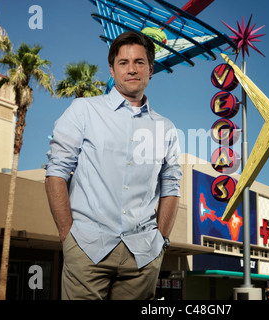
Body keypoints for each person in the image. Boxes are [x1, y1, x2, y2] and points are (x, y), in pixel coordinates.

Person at [45, 30, 182, 300]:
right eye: (123, 62)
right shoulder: (83, 110)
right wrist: (68, 236)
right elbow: (56, 173)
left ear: (151, 69)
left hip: (142, 256)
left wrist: (160, 242)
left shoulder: (166, 128)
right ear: (112, 68)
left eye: (139, 62)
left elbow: (171, 186)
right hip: (86, 248)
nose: (132, 69)